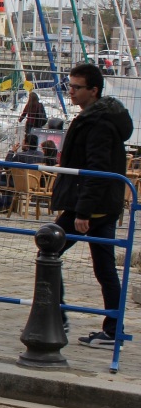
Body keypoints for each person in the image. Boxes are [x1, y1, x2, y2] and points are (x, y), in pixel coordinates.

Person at [51, 63, 132, 348]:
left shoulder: (98, 123)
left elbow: (98, 170)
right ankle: (112, 329)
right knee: (104, 267)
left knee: (48, 248)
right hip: (97, 205)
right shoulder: (95, 118)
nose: (70, 91)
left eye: (76, 87)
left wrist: (84, 212)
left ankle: (55, 315)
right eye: (69, 86)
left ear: (93, 91)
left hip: (89, 208)